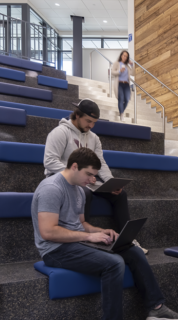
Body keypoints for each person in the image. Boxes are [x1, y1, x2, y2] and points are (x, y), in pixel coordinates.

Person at [33, 147, 178, 320]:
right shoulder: (51, 188)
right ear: (74, 166)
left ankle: (156, 307)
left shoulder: (78, 190)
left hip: (76, 242)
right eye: (89, 174)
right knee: (114, 263)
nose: (92, 180)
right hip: (55, 250)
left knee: (131, 250)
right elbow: (48, 231)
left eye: (94, 176)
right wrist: (89, 237)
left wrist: (101, 231)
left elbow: (81, 224)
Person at [43, 98, 147, 254]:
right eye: (88, 121)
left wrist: (111, 182)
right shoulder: (60, 133)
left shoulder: (94, 138)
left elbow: (101, 163)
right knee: (83, 192)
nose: (91, 125)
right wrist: (76, 175)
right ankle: (86, 239)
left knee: (120, 194)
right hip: (62, 181)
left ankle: (127, 240)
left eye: (94, 123)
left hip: (84, 180)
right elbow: (49, 161)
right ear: (77, 115)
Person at [110, 50, 133, 122]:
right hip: (119, 83)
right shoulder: (116, 63)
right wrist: (120, 71)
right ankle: (122, 114)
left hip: (126, 84)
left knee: (127, 99)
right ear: (121, 56)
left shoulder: (127, 66)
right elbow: (112, 72)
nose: (125, 57)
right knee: (121, 98)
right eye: (124, 55)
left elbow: (133, 73)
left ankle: (121, 111)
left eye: (126, 56)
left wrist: (132, 65)